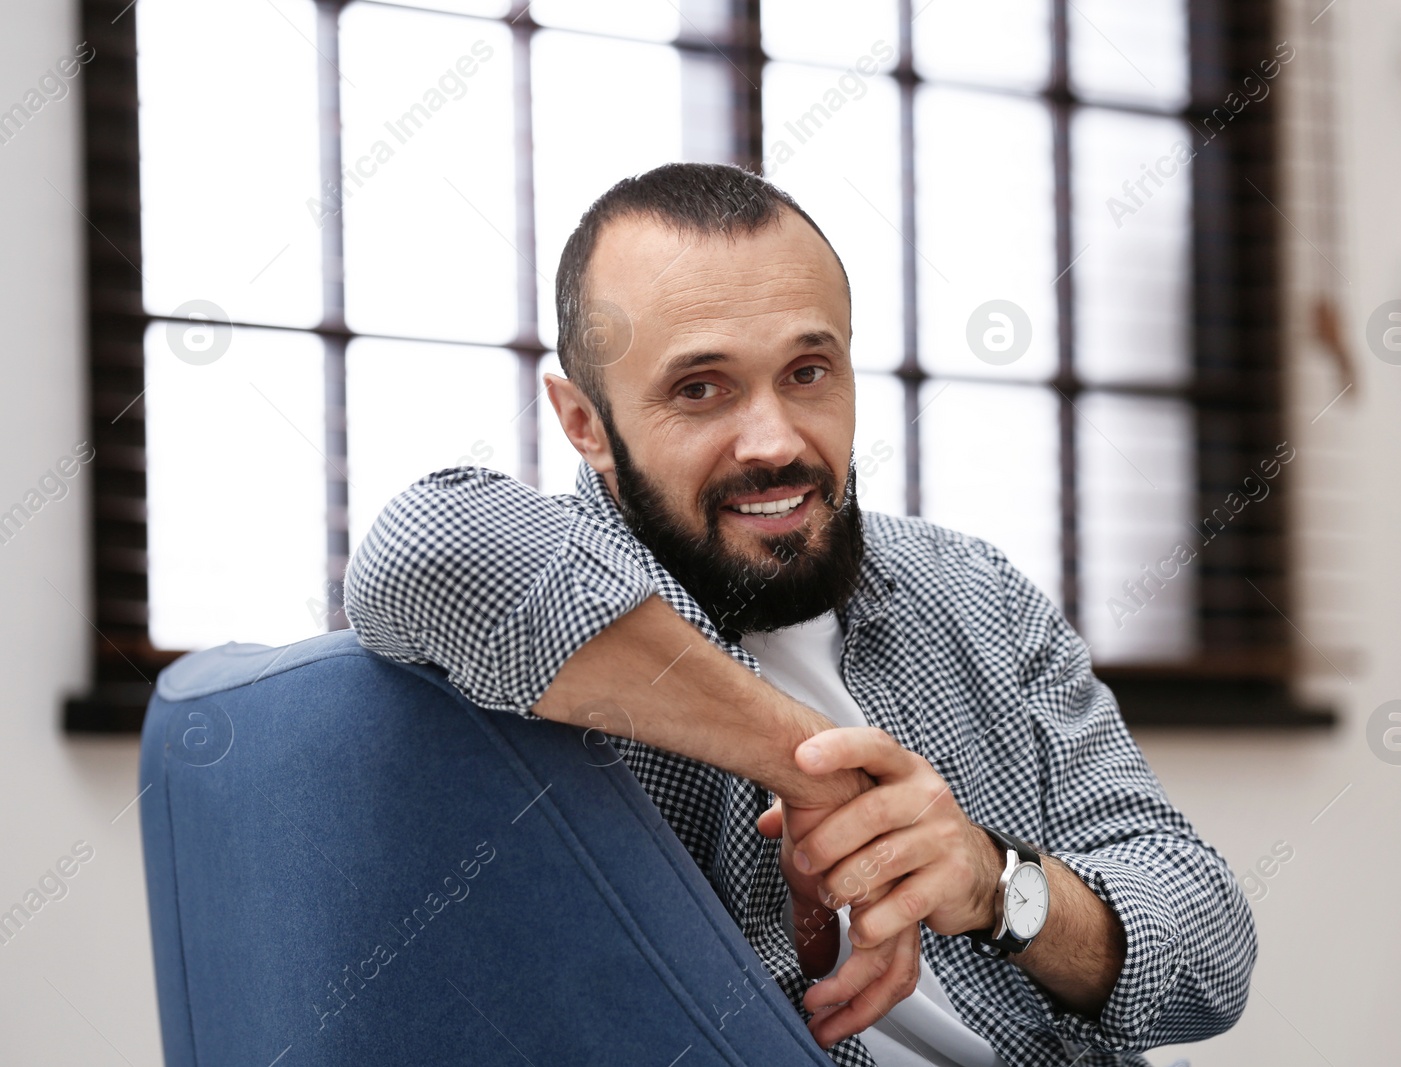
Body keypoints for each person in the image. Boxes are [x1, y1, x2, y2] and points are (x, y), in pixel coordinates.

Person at [344, 162, 1255, 1067]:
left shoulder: (973, 591)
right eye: (701, 388)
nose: (776, 441)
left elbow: (1211, 953)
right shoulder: (553, 582)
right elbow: (428, 544)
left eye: (808, 372)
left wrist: (995, 881)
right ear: (584, 423)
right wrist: (819, 772)